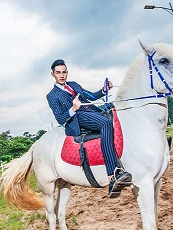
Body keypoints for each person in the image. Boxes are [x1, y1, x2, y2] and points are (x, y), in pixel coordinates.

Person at [46, 59, 132, 198]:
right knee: (105, 124)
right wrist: (73, 109)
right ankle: (112, 175)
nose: (62, 75)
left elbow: (90, 96)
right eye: (58, 73)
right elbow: (60, 119)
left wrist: (103, 90)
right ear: (53, 75)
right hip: (76, 119)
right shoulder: (52, 96)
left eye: (64, 72)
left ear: (67, 72)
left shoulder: (73, 85)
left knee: (116, 116)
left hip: (91, 111)